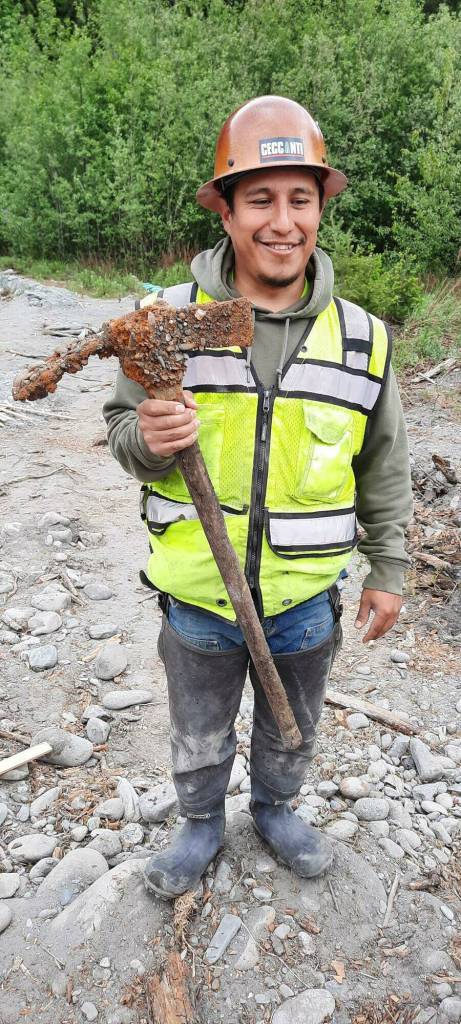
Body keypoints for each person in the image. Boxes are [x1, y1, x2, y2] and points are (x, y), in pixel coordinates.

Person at [103, 95, 412, 899]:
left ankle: (275, 809)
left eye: (299, 199)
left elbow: (383, 462)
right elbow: (121, 431)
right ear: (226, 210)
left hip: (304, 595)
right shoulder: (165, 320)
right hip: (199, 593)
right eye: (260, 199)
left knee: (291, 726)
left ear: (320, 208)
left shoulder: (362, 338)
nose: (282, 221)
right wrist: (150, 439)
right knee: (199, 727)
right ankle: (200, 822)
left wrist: (388, 567)